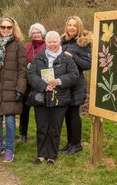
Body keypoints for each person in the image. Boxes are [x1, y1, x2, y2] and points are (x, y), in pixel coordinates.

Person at [27, 31, 79, 165]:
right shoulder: (39, 57)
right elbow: (31, 74)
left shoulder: (66, 58)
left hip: (60, 98)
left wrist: (59, 81)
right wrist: (43, 86)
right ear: (46, 42)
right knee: (42, 127)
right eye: (49, 42)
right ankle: (41, 154)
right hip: (42, 98)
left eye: (55, 41)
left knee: (55, 128)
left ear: (59, 42)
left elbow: (74, 75)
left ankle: (52, 155)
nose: (52, 44)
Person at [0, 16, 27, 163]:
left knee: (10, 122)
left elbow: (23, 70)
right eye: (3, 27)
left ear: (13, 28)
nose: (5, 30)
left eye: (8, 27)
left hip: (12, 90)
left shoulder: (19, 45)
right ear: (0, 28)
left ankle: (10, 149)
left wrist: (20, 90)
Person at [60, 15, 92, 155]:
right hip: (65, 84)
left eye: (74, 25)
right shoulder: (63, 42)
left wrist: (73, 57)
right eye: (69, 25)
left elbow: (87, 64)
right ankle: (69, 142)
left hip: (76, 85)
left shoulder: (82, 43)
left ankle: (77, 144)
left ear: (79, 27)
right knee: (67, 114)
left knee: (74, 114)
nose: (71, 27)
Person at [19, 23, 46, 143]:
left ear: (42, 34)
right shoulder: (27, 47)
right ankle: (23, 134)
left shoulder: (47, 46)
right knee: (23, 111)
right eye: (33, 33)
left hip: (39, 84)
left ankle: (41, 136)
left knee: (39, 113)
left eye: (38, 32)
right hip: (26, 84)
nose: (36, 35)